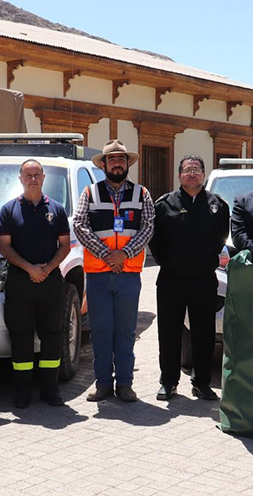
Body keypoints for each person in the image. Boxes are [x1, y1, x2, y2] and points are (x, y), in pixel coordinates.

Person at [72, 139, 154, 403]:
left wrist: (125, 254)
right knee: (101, 330)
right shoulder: (90, 193)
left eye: (121, 159)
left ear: (127, 163)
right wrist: (107, 255)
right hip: (97, 274)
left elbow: (148, 227)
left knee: (126, 331)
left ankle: (126, 384)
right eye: (112, 159)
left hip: (129, 274)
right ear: (104, 164)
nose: (117, 163)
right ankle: (103, 383)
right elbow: (80, 225)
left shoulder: (142, 194)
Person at [149, 155, 229, 401]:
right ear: (179, 175)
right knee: (169, 333)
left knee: (204, 333)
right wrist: (172, 262)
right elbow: (155, 241)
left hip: (204, 280)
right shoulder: (164, 205)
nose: (192, 174)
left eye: (196, 169)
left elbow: (221, 239)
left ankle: (202, 383)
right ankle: (168, 382)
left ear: (204, 174)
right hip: (171, 280)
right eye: (187, 170)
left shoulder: (218, 205)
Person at [0, 159, 71, 408]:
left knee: (52, 335)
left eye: (37, 174)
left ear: (43, 177)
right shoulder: (8, 210)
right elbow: (4, 247)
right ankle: (23, 393)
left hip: (50, 281)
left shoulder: (57, 210)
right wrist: (29, 269)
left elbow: (64, 245)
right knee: (21, 337)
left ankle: (50, 391)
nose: (32, 179)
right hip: (20, 281)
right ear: (20, 179)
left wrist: (47, 269)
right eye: (27, 175)